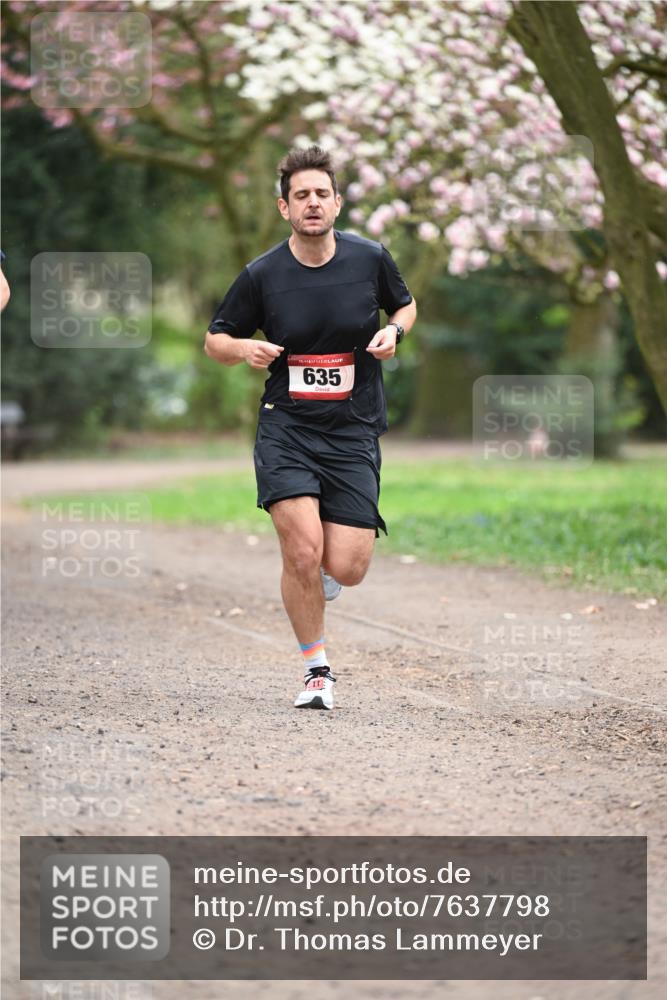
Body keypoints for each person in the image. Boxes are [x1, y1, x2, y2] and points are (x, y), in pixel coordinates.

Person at [204, 145, 417, 710]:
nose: (313, 203)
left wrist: (395, 334)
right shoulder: (263, 274)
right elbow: (215, 338)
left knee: (346, 565)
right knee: (301, 551)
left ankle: (322, 580)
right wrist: (243, 347)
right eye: (302, 195)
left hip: (352, 427)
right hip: (287, 426)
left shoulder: (371, 258)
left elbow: (406, 306)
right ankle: (316, 671)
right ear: (285, 207)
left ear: (338, 202)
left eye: (322, 193)